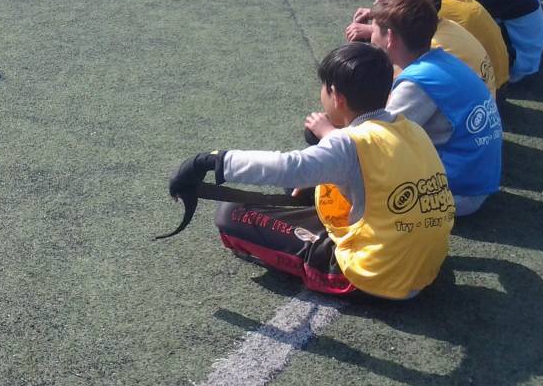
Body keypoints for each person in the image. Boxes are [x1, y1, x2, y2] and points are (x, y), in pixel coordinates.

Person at [167, 42, 454, 299]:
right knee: (319, 187)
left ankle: (321, 260)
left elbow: (289, 168)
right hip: (425, 265)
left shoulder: (350, 143)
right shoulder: (410, 127)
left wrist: (208, 161)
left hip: (377, 275)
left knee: (231, 215)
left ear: (337, 97)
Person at [371, 0, 502, 216]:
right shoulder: (443, 61)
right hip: (476, 181)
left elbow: (378, 142)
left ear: (390, 38)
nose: (371, 37)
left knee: (358, 175)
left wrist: (329, 133)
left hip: (455, 195)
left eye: (373, 30)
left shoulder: (418, 83)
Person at [358, 0, 496, 96]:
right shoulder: (446, 26)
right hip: (484, 106)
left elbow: (385, 100)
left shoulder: (430, 46)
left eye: (392, 4)